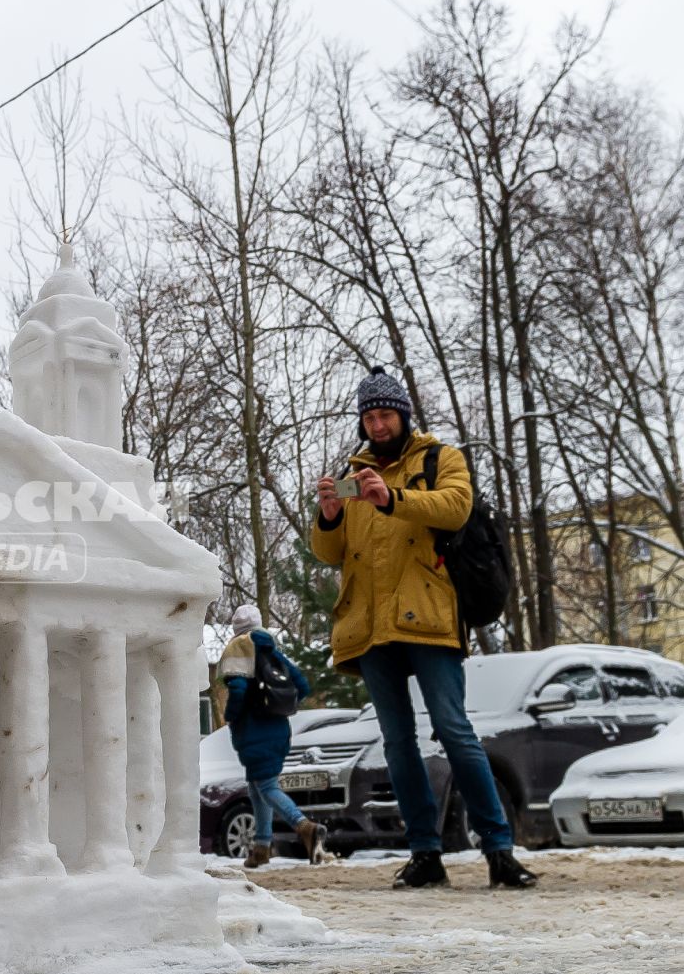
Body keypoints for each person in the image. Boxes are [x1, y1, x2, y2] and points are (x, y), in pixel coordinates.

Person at [312, 367, 537, 890]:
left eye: (386, 414)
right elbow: (330, 552)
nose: (378, 424)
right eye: (369, 417)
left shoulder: (440, 458)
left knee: (455, 732)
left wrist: (392, 499)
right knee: (397, 743)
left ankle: (499, 849)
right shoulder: (351, 470)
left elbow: (456, 509)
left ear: (404, 416)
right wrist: (327, 515)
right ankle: (424, 853)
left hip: (431, 616)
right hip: (371, 627)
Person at [219, 604, 324, 870]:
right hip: (278, 729)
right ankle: (262, 848)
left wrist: (231, 715)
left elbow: (239, 689)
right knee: (256, 788)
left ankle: (304, 826)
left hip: (254, 730)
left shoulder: (240, 647)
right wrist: (277, 706)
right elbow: (302, 686)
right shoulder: (272, 650)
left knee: (266, 787)